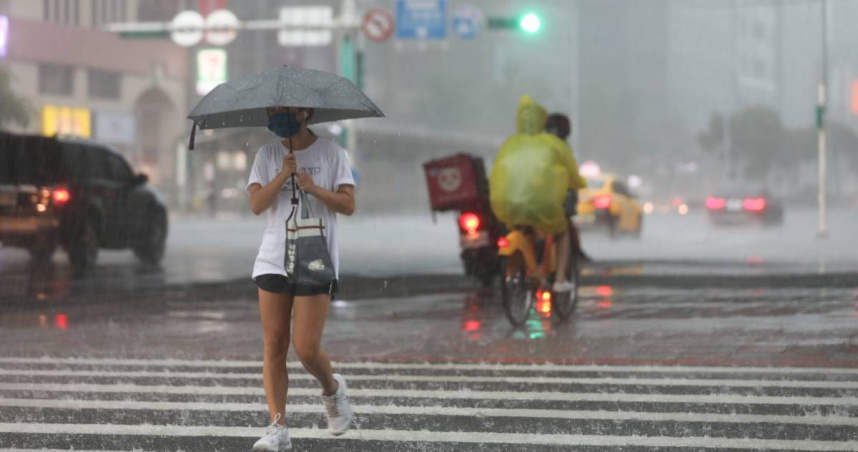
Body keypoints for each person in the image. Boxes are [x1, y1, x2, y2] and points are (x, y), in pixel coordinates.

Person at [246, 106, 356, 451]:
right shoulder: (267, 154)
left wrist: (314, 188)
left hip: (314, 256)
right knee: (275, 344)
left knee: (306, 348)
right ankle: (278, 427)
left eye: (284, 110)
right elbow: (256, 204)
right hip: (273, 258)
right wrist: (282, 175)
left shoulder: (331, 152)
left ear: (305, 113)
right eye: (272, 110)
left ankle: (332, 389)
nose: (277, 116)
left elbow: (348, 204)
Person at [489, 95, 586, 293]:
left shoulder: (510, 143)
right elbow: (572, 177)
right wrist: (579, 185)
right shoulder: (555, 145)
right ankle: (559, 280)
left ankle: (523, 268)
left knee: (524, 224)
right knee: (562, 231)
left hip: (508, 202)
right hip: (543, 204)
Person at [545, 112, 591, 266]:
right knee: (564, 226)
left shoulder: (537, 144)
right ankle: (560, 276)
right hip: (556, 195)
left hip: (535, 194)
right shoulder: (563, 148)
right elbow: (571, 175)